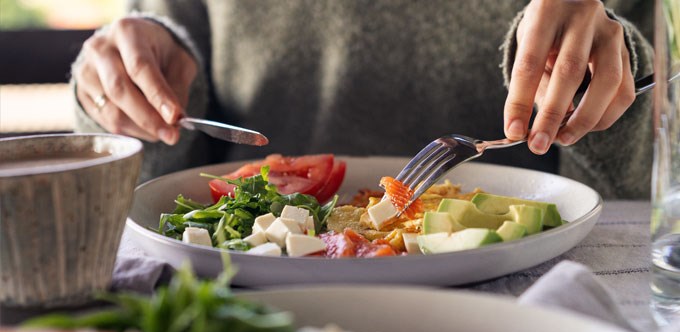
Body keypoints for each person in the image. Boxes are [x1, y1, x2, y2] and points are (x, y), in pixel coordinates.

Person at [71, 0, 653, 199]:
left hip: (536, 306)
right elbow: (144, 181)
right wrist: (113, 94)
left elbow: (627, 212)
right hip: (246, 291)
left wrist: (609, 77)